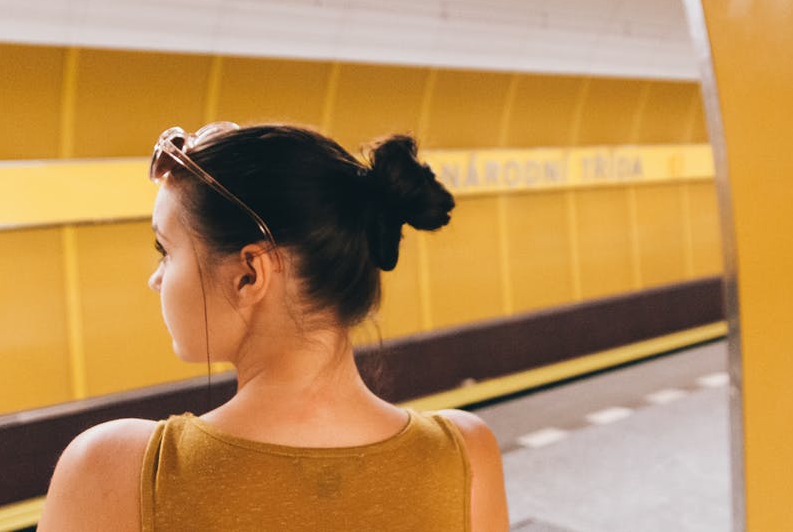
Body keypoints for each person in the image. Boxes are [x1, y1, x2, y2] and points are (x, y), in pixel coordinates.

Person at [39, 122, 508, 531]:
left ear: (249, 275)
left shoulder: (115, 470)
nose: (155, 278)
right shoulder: (466, 455)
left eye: (166, 250)